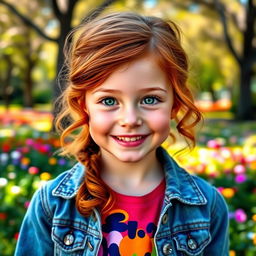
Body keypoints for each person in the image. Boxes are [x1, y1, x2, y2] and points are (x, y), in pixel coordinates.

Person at [15, 12, 229, 255]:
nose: (129, 120)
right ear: (84, 106)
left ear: (175, 104)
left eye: (150, 99)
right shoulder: (51, 205)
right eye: (108, 100)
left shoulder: (207, 206)